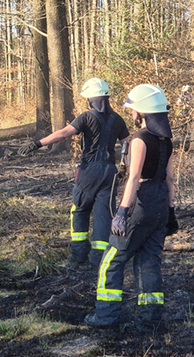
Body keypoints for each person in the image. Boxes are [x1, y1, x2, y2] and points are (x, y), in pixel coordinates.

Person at [85, 83, 178, 333]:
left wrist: (123, 213)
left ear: (142, 112)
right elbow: (169, 179)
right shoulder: (166, 140)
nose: (132, 114)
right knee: (149, 260)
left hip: (141, 201)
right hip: (160, 203)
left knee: (112, 260)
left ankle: (105, 316)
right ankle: (150, 318)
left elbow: (134, 177)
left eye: (133, 109)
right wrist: (170, 211)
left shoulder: (140, 139)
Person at [19, 78, 129, 270]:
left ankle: (78, 255)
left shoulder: (86, 117)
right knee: (104, 215)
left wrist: (37, 144)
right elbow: (128, 143)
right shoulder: (118, 119)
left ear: (91, 100)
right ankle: (98, 260)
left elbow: (63, 133)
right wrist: (123, 165)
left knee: (79, 210)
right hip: (110, 172)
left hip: (88, 171)